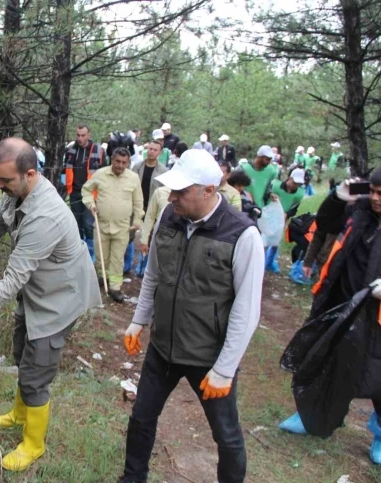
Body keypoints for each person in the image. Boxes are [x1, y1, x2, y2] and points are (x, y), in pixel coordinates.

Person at [0, 138, 101, 472]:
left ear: (30, 173)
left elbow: (11, 282)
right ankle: (18, 414)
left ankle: (34, 444)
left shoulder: (45, 216)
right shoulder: (16, 193)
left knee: (36, 372)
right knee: (22, 351)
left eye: (5, 180)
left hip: (59, 299)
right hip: (38, 290)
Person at [119, 149, 265, 483]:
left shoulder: (242, 235)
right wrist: (139, 320)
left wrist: (225, 369)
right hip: (163, 348)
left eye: (181, 191)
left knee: (226, 436)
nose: (172, 197)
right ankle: (132, 478)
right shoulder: (169, 218)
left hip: (208, 357)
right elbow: (153, 275)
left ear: (209, 191)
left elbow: (247, 309)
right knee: (142, 418)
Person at [279, 170, 381, 464]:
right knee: (323, 360)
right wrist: (337, 199)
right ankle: (310, 415)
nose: (374, 198)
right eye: (372, 191)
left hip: (376, 316)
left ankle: (379, 433)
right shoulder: (358, 211)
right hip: (339, 303)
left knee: (376, 374)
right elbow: (325, 225)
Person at [82, 147, 143, 302]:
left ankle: (115, 287)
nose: (120, 165)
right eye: (117, 161)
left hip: (122, 226)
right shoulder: (100, 174)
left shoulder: (133, 178)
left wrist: (137, 220)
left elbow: (138, 201)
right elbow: (86, 190)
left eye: (124, 162)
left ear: (128, 163)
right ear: (112, 159)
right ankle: (103, 278)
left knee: (117, 258)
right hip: (101, 224)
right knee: (102, 255)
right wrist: (90, 204)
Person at [63, 124, 107, 261]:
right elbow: (65, 170)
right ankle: (77, 252)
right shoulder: (70, 150)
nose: (80, 138)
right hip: (74, 192)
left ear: (89, 135)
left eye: (83, 135)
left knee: (89, 224)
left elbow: (104, 173)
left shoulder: (98, 151)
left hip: (91, 194)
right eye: (78, 135)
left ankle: (91, 255)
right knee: (76, 223)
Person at [264, 168, 307, 274]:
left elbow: (294, 208)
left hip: (282, 219)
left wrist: (287, 214)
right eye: (294, 182)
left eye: (298, 184)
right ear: (290, 178)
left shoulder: (299, 194)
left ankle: (270, 263)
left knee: (275, 243)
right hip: (268, 216)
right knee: (264, 241)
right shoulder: (275, 185)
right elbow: (265, 196)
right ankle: (261, 262)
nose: (295, 185)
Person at [238, 145, 279, 209]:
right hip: (244, 206)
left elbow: (267, 185)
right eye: (267, 159)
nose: (269, 162)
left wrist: (269, 193)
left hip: (259, 207)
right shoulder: (244, 168)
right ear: (260, 157)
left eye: (270, 159)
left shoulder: (270, 170)